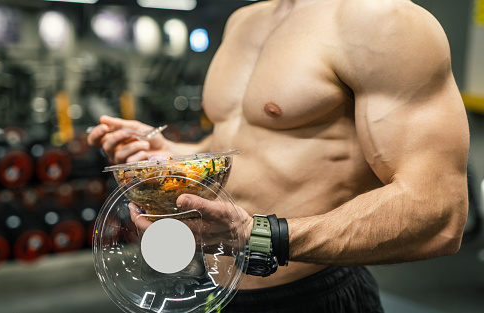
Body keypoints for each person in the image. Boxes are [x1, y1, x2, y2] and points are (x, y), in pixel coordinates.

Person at [87, 0, 470, 312]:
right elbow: (240, 145)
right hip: (214, 288)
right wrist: (172, 153)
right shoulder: (245, 20)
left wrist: (259, 236)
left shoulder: (383, 19)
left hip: (311, 293)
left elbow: (439, 209)